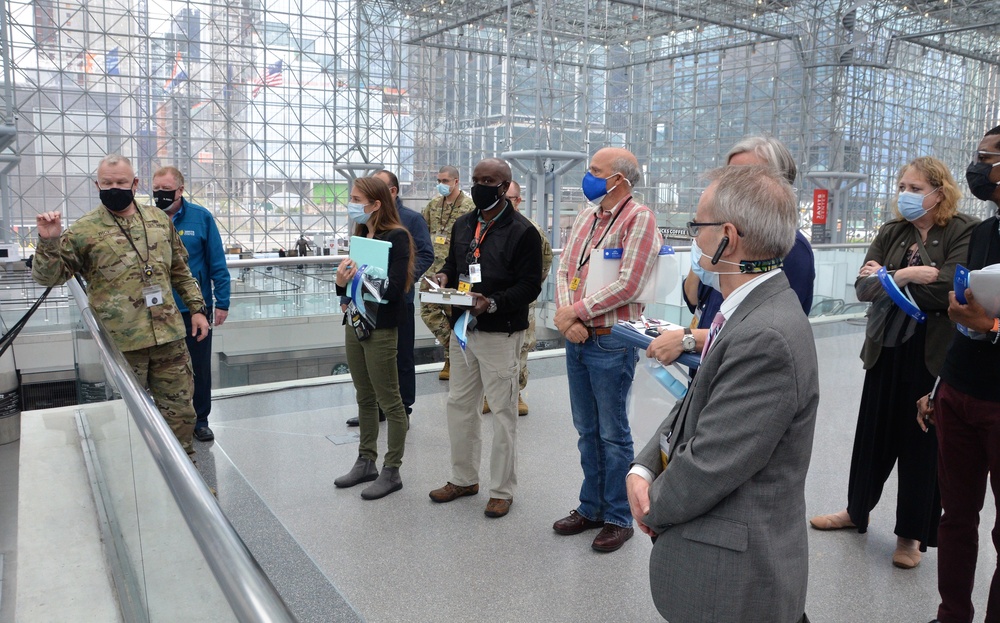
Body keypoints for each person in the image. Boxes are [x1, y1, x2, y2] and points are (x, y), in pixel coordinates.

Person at [627, 165, 819, 623]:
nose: (694, 238)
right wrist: (644, 464)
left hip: (735, 579)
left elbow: (712, 461)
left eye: (698, 227)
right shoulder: (748, 310)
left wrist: (654, 507)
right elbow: (696, 403)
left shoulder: (765, 334)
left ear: (726, 237)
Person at [810, 156, 978, 569]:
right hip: (886, 347)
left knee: (921, 443)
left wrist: (888, 275)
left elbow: (951, 293)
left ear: (940, 192)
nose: (906, 195)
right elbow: (864, 288)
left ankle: (911, 536)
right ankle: (856, 510)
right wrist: (903, 276)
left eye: (916, 188)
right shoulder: (893, 231)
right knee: (873, 435)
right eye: (903, 186)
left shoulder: (964, 231)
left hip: (933, 354)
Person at [32, 154, 209, 456]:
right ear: (97, 184)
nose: (114, 187)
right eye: (108, 182)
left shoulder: (157, 221)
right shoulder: (84, 231)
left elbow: (180, 270)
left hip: (168, 336)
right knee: (127, 419)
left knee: (181, 413)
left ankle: (185, 482)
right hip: (123, 344)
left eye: (121, 182)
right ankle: (141, 482)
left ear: (135, 183)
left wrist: (196, 309)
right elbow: (50, 278)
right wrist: (49, 241)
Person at [552, 147, 661, 553]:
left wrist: (574, 312)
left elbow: (629, 284)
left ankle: (618, 516)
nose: (589, 177)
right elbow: (565, 269)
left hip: (612, 340)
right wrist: (570, 318)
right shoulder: (586, 216)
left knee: (613, 434)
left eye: (596, 171)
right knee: (586, 430)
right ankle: (591, 506)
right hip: (578, 336)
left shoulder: (640, 220)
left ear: (621, 179)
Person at [427, 158, 542, 519]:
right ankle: (463, 478)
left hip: (500, 331)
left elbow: (529, 286)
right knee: (460, 405)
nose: (479, 186)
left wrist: (491, 303)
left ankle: (502, 490)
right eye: (476, 179)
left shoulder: (523, 232)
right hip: (463, 329)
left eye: (488, 180)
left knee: (504, 413)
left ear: (505, 185)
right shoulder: (465, 223)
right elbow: (454, 265)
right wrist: (444, 279)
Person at [918, 125, 1000, 623]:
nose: (978, 166)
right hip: (961, 388)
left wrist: (992, 325)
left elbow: (987, 319)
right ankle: (952, 614)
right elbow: (970, 311)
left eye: (986, 157)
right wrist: (939, 385)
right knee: (956, 518)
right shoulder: (987, 231)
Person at [648, 135, 814, 365]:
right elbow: (694, 299)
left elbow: (762, 332)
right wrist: (704, 245)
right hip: (709, 361)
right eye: (728, 176)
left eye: (745, 177)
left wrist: (687, 339)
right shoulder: (723, 241)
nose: (730, 187)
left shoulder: (789, 248)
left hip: (737, 363)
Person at [333, 176, 414, 500]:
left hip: (381, 326)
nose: (352, 205)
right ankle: (366, 459)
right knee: (364, 395)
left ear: (376, 203)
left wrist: (362, 280)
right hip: (356, 320)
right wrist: (341, 282)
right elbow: (349, 287)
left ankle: (392, 469)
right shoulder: (360, 234)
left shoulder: (397, 237)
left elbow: (395, 290)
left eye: (357, 199)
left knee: (390, 400)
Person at [342, 169, 433, 427]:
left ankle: (402, 407)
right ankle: (373, 408)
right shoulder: (363, 226)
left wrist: (403, 279)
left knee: (401, 354)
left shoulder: (409, 222)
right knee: (368, 356)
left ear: (389, 193)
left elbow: (425, 254)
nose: (355, 203)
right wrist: (347, 292)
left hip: (397, 299)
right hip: (365, 303)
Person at [152, 166, 230, 443]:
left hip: (194, 310)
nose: (160, 195)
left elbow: (217, 264)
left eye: (166, 190)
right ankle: (166, 420)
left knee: (198, 368)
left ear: (181, 190)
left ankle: (201, 420)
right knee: (162, 369)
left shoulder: (201, 218)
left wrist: (222, 303)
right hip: (157, 312)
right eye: (156, 189)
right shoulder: (145, 219)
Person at [481, 180, 552, 416]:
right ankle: (487, 394)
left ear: (518, 201)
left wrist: (525, 287)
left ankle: (517, 392)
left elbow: (545, 263)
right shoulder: (481, 225)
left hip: (520, 301)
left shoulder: (530, 229)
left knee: (520, 348)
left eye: (509, 198)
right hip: (485, 300)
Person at [420, 165, 475, 381]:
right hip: (432, 269)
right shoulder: (434, 205)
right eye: (439, 180)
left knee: (454, 314)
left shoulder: (469, 207)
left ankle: (452, 359)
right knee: (428, 311)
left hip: (454, 270)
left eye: (445, 181)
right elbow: (422, 231)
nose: (441, 185)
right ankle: (452, 347)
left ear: (456, 182)